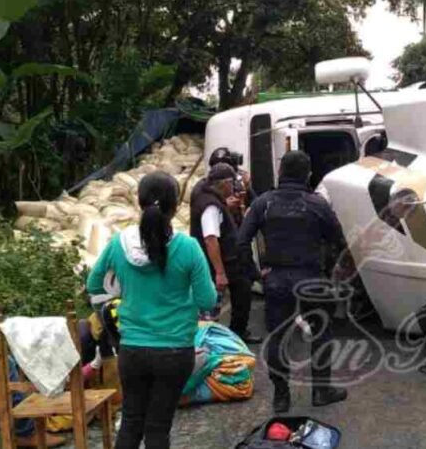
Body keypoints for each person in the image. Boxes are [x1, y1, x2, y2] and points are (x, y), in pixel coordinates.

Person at [87, 171, 216, 449]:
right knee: (158, 427)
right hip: (174, 351)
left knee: (131, 422)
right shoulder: (188, 248)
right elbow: (207, 300)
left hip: (132, 350)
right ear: (175, 206)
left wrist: (124, 291)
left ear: (139, 202)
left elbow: (93, 285)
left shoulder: (119, 244)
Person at [237, 151, 350, 413]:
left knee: (278, 336)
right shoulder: (317, 204)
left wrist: (256, 275)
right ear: (308, 174)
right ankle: (321, 390)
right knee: (321, 331)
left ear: (280, 172)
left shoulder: (263, 203)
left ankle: (281, 396)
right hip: (312, 277)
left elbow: (241, 242)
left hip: (276, 278)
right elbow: (338, 240)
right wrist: (332, 269)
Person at [189, 163, 263, 344]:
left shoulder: (205, 194)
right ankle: (215, 340)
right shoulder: (211, 206)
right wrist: (220, 272)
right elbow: (210, 238)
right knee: (217, 302)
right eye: (232, 183)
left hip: (225, 260)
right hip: (223, 262)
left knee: (241, 294)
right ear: (224, 184)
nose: (234, 187)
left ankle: (233, 333)